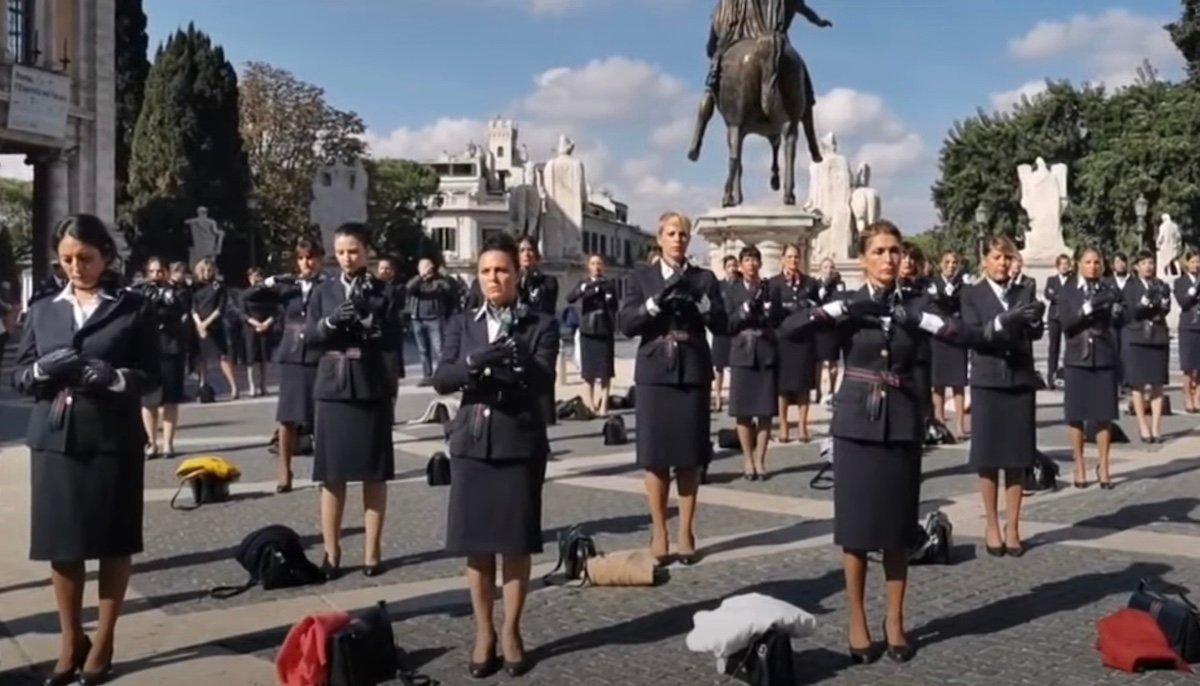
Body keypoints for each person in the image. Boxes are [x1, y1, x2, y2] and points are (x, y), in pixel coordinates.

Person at [779, 220, 958, 664]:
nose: (888, 259)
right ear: (864, 259)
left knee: (898, 530)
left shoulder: (918, 305)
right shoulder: (850, 304)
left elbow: (955, 335)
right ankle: (857, 619)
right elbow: (790, 330)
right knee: (856, 531)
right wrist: (836, 311)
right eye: (879, 251)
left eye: (895, 251)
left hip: (900, 422)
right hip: (857, 422)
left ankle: (895, 620)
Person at [13, 214, 160, 686]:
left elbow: (155, 375)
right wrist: (39, 372)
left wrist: (116, 378)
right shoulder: (42, 309)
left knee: (114, 542)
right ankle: (69, 638)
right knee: (63, 544)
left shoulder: (133, 307)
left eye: (86, 258)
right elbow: (20, 375)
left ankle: (104, 640)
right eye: (67, 260)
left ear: (107, 257)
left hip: (113, 437)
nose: (76, 267)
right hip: (56, 438)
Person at [433, 232, 559, 679]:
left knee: (516, 543)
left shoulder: (540, 322)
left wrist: (517, 356)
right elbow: (442, 378)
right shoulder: (461, 323)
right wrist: (473, 362)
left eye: (502, 270)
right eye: (485, 271)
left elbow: (543, 379)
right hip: (472, 441)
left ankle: (511, 630)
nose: (493, 278)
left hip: (519, 440)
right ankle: (484, 631)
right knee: (478, 545)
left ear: (517, 274)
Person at [619, 212, 726, 565]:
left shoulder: (704, 278)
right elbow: (627, 324)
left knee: (690, 456)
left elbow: (723, 323)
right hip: (655, 370)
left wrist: (702, 303)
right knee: (656, 456)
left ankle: (686, 530)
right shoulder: (642, 277)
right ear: (659, 238)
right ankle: (660, 529)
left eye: (683, 234)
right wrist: (654, 303)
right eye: (671, 233)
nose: (678, 239)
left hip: (692, 367)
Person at [305, 223, 396, 578]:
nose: (347, 258)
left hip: (370, 385)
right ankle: (332, 550)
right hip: (332, 388)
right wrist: (329, 323)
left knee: (374, 475)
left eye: (354, 251)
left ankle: (372, 549)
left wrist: (373, 326)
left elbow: (392, 340)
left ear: (368, 251)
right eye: (341, 251)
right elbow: (309, 337)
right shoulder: (323, 290)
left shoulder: (383, 291)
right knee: (332, 475)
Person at [962, 236, 1044, 557]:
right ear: (985, 261)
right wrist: (1002, 321)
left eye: (1008, 258)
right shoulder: (972, 294)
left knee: (1017, 457)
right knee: (988, 457)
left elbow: (1034, 331)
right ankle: (992, 523)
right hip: (988, 379)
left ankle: (1014, 524)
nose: (1002, 263)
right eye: (997, 257)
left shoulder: (1024, 291)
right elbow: (973, 334)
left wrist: (1035, 319)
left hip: (1020, 379)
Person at [266, 238, 326, 493]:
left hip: (318, 354)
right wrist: (269, 282)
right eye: (301, 258)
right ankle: (284, 468)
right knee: (287, 416)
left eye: (311, 257)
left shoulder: (328, 287)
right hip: (291, 353)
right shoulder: (287, 288)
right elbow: (251, 298)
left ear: (320, 260)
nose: (306, 263)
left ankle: (324, 468)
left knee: (321, 415)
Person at [1061, 247, 1121, 489]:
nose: (1093, 266)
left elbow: (1121, 317)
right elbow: (1066, 323)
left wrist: (1115, 307)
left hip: (1104, 357)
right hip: (1078, 357)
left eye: (1097, 262)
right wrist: (1086, 309)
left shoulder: (1109, 289)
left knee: (1103, 415)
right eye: (1088, 262)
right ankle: (1080, 464)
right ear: (1078, 264)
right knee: (1076, 415)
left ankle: (1104, 465)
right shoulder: (1068, 290)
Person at [726, 246, 777, 479]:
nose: (751, 264)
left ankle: (761, 460)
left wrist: (768, 312)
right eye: (747, 260)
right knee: (743, 412)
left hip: (765, 351)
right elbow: (727, 324)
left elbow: (778, 320)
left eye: (755, 260)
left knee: (765, 411)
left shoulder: (769, 288)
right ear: (740, 264)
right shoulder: (732, 290)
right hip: (742, 353)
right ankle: (747, 459)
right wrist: (743, 311)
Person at [138, 257, 189, 460]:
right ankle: (152, 443)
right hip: (148, 351)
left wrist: (169, 296)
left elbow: (183, 310)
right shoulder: (142, 292)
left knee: (170, 399)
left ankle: (168, 443)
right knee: (149, 400)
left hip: (171, 348)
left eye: (160, 271)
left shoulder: (178, 290)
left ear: (166, 272)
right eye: (152, 271)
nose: (157, 275)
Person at [769, 244, 818, 443]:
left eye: (796, 257)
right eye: (789, 257)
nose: (793, 261)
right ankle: (783, 425)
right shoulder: (774, 283)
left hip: (804, 339)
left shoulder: (810, 283)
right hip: (784, 339)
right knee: (783, 385)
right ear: (782, 259)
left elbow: (817, 308)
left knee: (803, 384)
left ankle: (802, 425)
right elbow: (772, 313)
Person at [1123, 251, 1171, 442]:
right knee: (1139, 383)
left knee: (1158, 383)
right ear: (1136, 266)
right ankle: (1143, 425)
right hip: (1139, 336)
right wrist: (1146, 301)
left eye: (1150, 262)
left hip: (1158, 336)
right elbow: (1133, 312)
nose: (1148, 266)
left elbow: (1164, 310)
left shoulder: (1159, 283)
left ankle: (1156, 427)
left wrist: (1165, 301)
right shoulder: (1131, 285)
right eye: (1143, 263)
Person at [566, 253, 617, 415]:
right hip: (587, 329)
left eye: (599, 263)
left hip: (604, 329)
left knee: (605, 370)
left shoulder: (609, 284)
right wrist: (585, 290)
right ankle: (590, 404)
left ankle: (603, 405)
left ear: (604, 267)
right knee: (588, 370)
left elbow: (614, 306)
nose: (596, 267)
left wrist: (607, 297)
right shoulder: (584, 284)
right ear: (588, 266)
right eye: (593, 263)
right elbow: (570, 298)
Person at [517, 236, 559, 424]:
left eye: (530, 250)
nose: (526, 254)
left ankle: (543, 430)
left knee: (541, 382)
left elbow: (545, 306)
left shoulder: (547, 281)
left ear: (537, 256)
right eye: (522, 250)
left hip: (541, 337)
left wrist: (531, 278)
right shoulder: (513, 281)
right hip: (519, 335)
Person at [928, 251, 970, 438]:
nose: (951, 266)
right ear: (940, 264)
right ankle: (940, 423)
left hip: (956, 337)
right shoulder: (933, 284)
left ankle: (960, 425)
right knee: (938, 383)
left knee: (958, 383)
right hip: (938, 337)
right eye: (947, 262)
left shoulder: (964, 285)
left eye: (954, 263)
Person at [190, 259, 239, 400]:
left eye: (209, 270)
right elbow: (193, 308)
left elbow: (220, 308)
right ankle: (202, 385)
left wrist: (206, 323)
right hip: (199, 326)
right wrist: (199, 324)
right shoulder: (195, 287)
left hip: (215, 325)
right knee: (200, 358)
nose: (207, 273)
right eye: (204, 270)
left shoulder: (219, 286)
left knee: (223, 356)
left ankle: (234, 387)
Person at [406, 257, 452, 385]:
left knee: (439, 349)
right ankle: (427, 376)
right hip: (418, 320)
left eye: (430, 268)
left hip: (435, 319)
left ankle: (442, 375)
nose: (428, 271)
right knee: (423, 350)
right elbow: (408, 288)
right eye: (425, 268)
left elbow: (449, 288)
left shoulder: (438, 281)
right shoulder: (416, 282)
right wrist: (421, 277)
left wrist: (440, 275)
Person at [240, 267, 280, 397]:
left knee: (264, 358)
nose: (255, 279)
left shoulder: (269, 293)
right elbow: (242, 313)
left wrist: (266, 324)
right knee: (252, 359)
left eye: (258, 276)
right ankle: (252, 386)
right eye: (253, 276)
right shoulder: (245, 294)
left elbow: (276, 311)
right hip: (251, 327)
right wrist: (255, 323)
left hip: (266, 326)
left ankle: (263, 385)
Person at [813, 257, 845, 406]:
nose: (829, 270)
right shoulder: (817, 283)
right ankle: (819, 392)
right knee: (819, 362)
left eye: (831, 267)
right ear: (820, 269)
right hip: (820, 326)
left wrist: (836, 284)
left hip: (834, 326)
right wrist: (826, 284)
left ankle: (831, 391)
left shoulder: (839, 284)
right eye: (825, 267)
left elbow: (842, 299)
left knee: (833, 361)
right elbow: (819, 297)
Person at [711, 255, 739, 412]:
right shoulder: (719, 286)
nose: (732, 268)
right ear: (725, 268)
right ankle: (718, 398)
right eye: (729, 265)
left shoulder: (741, 285)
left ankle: (735, 397)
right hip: (721, 330)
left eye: (734, 265)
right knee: (719, 366)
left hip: (735, 330)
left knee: (735, 366)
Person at [1174, 252, 1200, 413]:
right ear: (1187, 264)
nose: (1196, 265)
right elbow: (1183, 302)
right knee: (1188, 365)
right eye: (1193, 262)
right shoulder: (1180, 282)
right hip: (1188, 326)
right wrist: (1194, 289)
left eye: (1198, 262)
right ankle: (1187, 396)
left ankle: (1198, 396)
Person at [376, 256, 408, 386]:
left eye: (387, 268)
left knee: (392, 366)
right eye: (381, 268)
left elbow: (396, 302)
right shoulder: (373, 287)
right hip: (377, 330)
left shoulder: (398, 287)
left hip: (392, 330)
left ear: (393, 271)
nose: (384, 271)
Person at [1043, 254, 1074, 386]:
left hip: (1068, 317)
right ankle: (1051, 376)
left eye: (1066, 264)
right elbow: (1048, 294)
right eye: (1062, 264)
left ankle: (1069, 375)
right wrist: (1059, 296)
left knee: (1070, 346)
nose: (1065, 267)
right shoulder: (1052, 279)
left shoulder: (1073, 280)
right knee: (1053, 347)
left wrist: (1058, 295)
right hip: (1054, 317)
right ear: (1057, 266)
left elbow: (1071, 295)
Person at [1105, 252, 1131, 392]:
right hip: (1112, 323)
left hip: (1128, 322)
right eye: (1117, 262)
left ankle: (1126, 380)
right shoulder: (1107, 282)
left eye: (1122, 261)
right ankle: (1115, 380)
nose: (1120, 264)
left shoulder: (1132, 281)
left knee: (1126, 352)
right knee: (1114, 351)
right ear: (1112, 265)